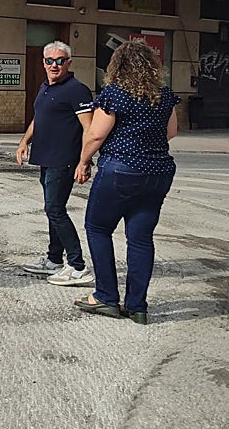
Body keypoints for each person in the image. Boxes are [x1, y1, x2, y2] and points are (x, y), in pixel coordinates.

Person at [72, 40, 178, 325]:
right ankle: (137, 306)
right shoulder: (165, 96)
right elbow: (172, 132)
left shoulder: (115, 94)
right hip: (158, 172)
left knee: (98, 228)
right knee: (141, 238)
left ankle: (106, 296)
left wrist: (83, 162)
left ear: (117, 66)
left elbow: (95, 135)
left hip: (121, 170)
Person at [15, 41, 94, 286]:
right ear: (43, 63)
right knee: (52, 210)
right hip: (45, 158)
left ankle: (78, 266)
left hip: (64, 160)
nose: (54, 65)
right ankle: (53, 260)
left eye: (60, 61)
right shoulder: (44, 88)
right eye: (49, 61)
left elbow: (89, 128)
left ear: (69, 63)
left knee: (55, 210)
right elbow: (39, 119)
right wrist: (24, 142)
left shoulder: (77, 90)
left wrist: (85, 161)